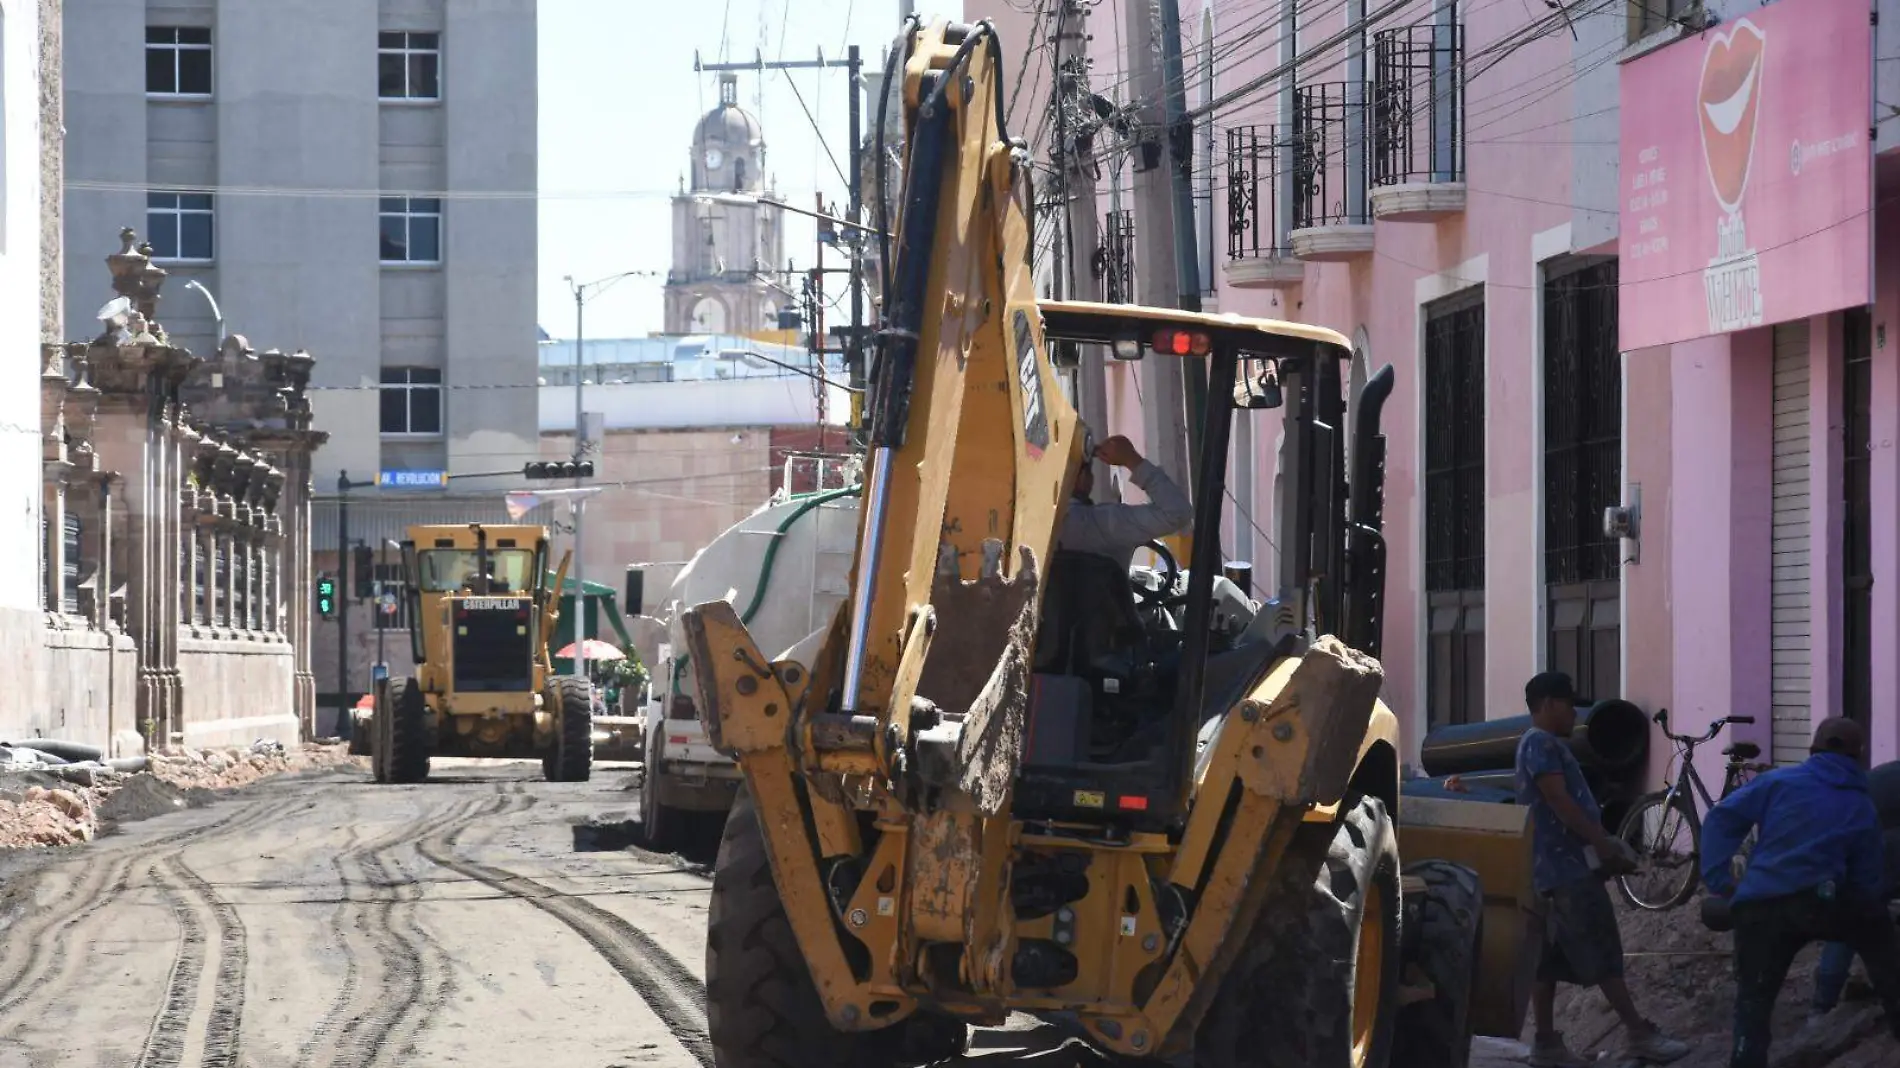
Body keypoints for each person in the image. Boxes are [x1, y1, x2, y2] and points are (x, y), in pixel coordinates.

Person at [1702, 717, 1900, 1068]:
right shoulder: (1860, 806)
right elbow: (1867, 882)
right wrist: (1866, 912)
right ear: (1859, 757)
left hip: (1759, 905)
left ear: (1811, 751)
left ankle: (1749, 1056)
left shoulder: (1778, 781)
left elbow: (1720, 819)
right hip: (1822, 901)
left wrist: (1722, 882)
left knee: (1753, 1007)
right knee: (1877, 933)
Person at [1515, 671, 1690, 1068]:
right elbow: (1558, 800)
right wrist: (1602, 842)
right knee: (1602, 950)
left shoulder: (1539, 744)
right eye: (1568, 704)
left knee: (1548, 960)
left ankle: (1545, 1042)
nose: (1574, 713)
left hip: (1548, 871)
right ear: (1548, 704)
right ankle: (1639, 1034)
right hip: (1567, 871)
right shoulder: (1541, 743)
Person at [1057, 429, 1193, 569]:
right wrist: (1132, 460)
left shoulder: (1040, 525)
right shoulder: (1101, 523)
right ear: (1083, 478)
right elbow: (1177, 513)